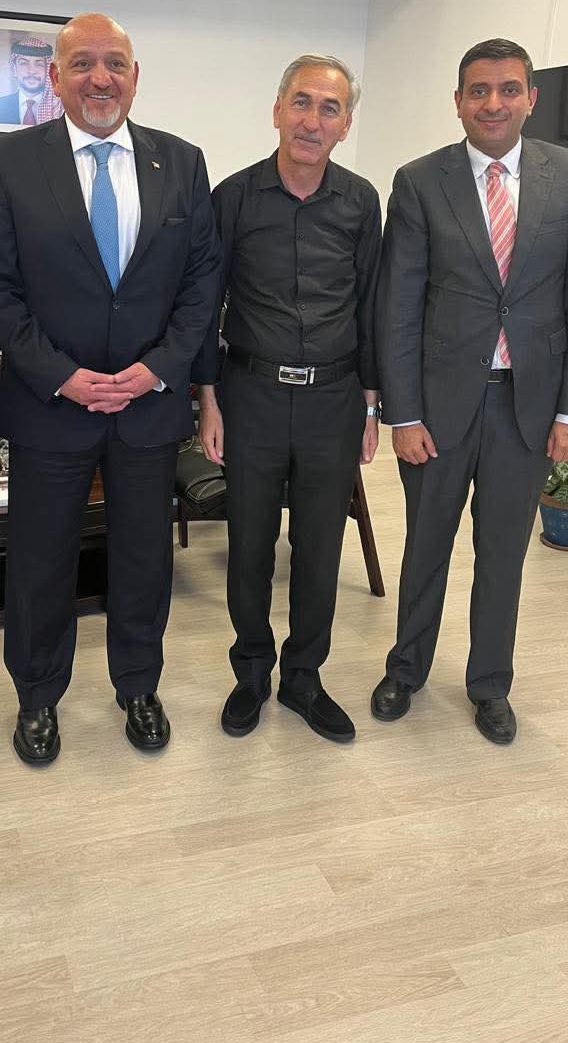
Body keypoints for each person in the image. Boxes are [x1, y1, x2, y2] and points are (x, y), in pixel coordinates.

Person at [0, 12, 221, 764]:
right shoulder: (10, 162)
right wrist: (63, 377)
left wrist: (160, 367)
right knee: (41, 560)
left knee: (144, 558)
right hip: (51, 407)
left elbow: (202, 282)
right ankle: (37, 696)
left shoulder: (182, 162)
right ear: (55, 78)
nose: (100, 77)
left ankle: (139, 686)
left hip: (149, 406)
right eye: (82, 63)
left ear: (136, 77)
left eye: (115, 63)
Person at [371, 38, 568, 744]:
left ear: (531, 97)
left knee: (503, 555)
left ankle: (490, 684)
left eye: (508, 89)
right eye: (478, 90)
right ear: (458, 102)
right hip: (438, 408)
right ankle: (406, 670)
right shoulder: (420, 181)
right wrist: (402, 413)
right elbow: (398, 306)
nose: (493, 103)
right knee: (426, 546)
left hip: (526, 406)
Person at [196, 54, 382, 743]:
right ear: (277, 110)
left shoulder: (361, 201)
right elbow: (205, 305)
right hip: (251, 395)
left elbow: (370, 305)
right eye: (301, 102)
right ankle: (251, 672)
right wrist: (208, 400)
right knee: (249, 544)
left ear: (346, 124)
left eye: (329, 108)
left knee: (319, 546)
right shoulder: (233, 197)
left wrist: (371, 405)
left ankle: (304, 676)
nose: (312, 120)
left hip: (335, 400)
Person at [0, 35, 64, 126]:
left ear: (48, 69)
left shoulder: (60, 108)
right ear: (14, 69)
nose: (31, 71)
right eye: (24, 63)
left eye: (39, 64)